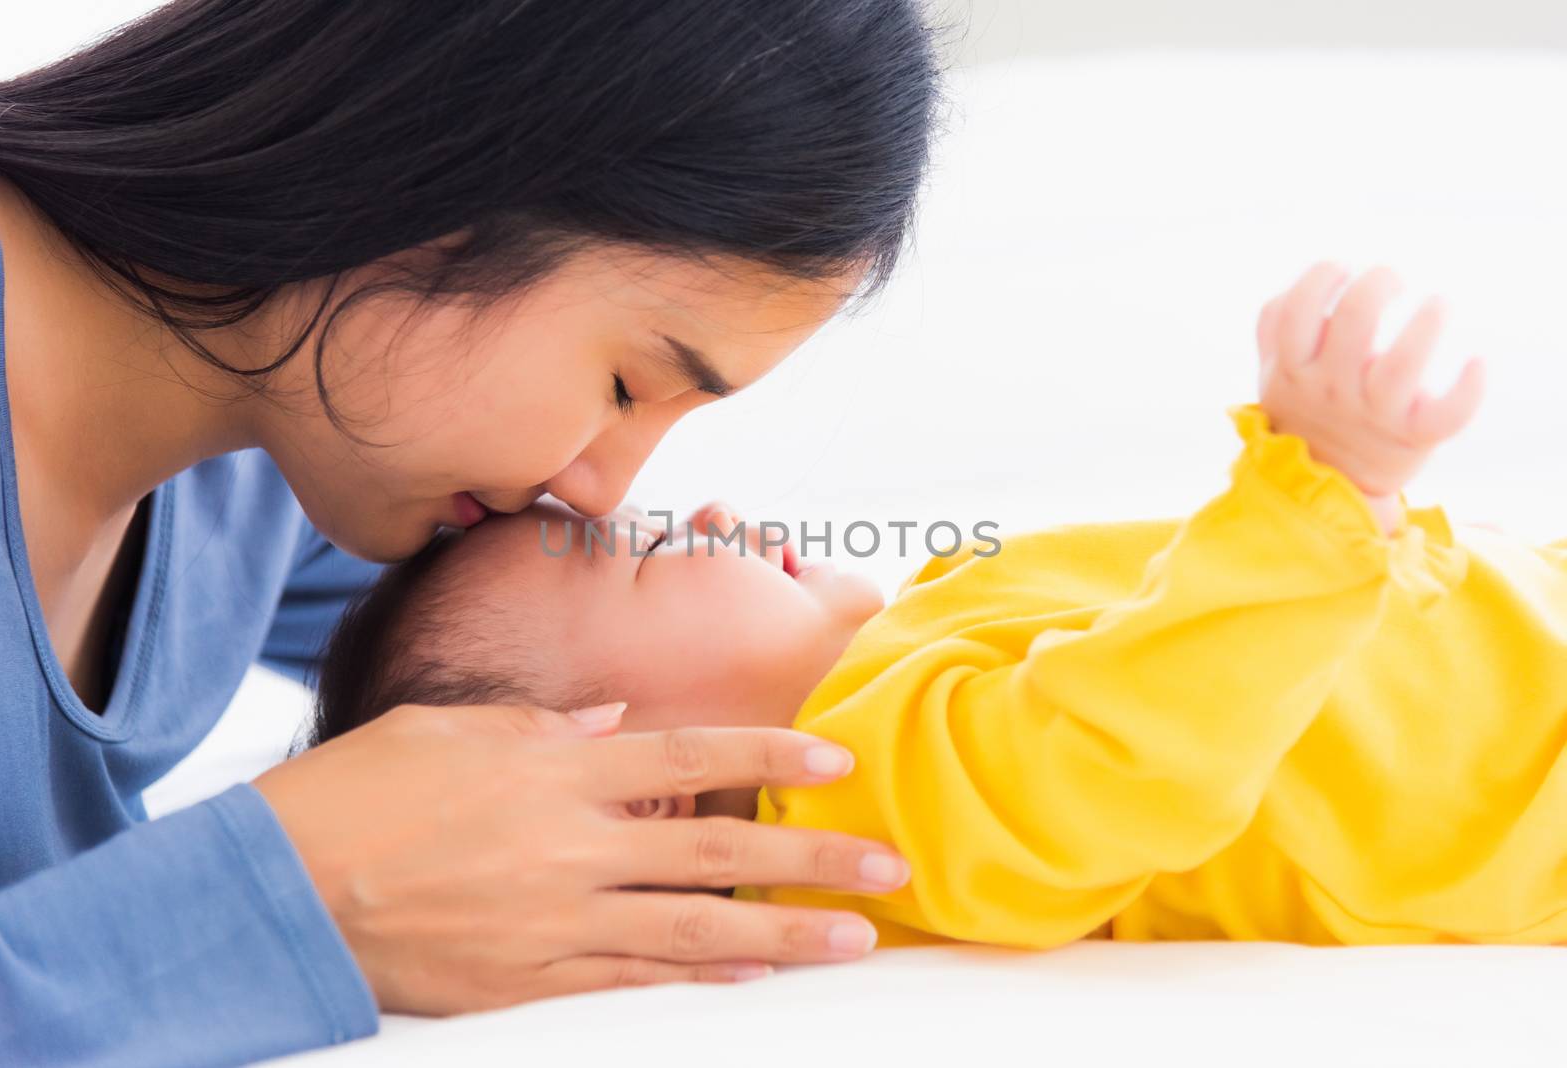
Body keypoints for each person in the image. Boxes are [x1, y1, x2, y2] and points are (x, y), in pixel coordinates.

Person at [0, 1, 943, 1063]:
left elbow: (544, 674)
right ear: (424, 194)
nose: (607, 491)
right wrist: (295, 890)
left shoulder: (275, 466)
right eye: (626, 384)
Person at [306, 262, 1567, 955]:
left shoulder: (904, 652)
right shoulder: (869, 793)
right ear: (641, 791)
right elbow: (1116, 758)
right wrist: (1318, 483)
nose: (699, 518)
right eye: (637, 559)